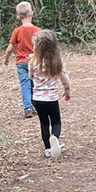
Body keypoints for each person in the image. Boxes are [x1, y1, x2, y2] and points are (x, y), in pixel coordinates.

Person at [29, 29, 71, 158]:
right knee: (56, 122)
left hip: (37, 98)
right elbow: (65, 79)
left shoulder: (33, 62)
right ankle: (55, 139)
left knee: (44, 123)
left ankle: (47, 149)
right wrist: (67, 91)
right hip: (51, 98)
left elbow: (30, 76)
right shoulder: (56, 63)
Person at [4, 1, 41, 117]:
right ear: (32, 14)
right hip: (35, 62)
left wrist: (6, 58)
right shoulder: (38, 30)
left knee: (25, 84)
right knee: (35, 85)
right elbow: (41, 47)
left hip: (21, 62)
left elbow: (10, 48)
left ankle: (28, 108)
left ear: (18, 17)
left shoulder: (17, 31)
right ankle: (35, 106)